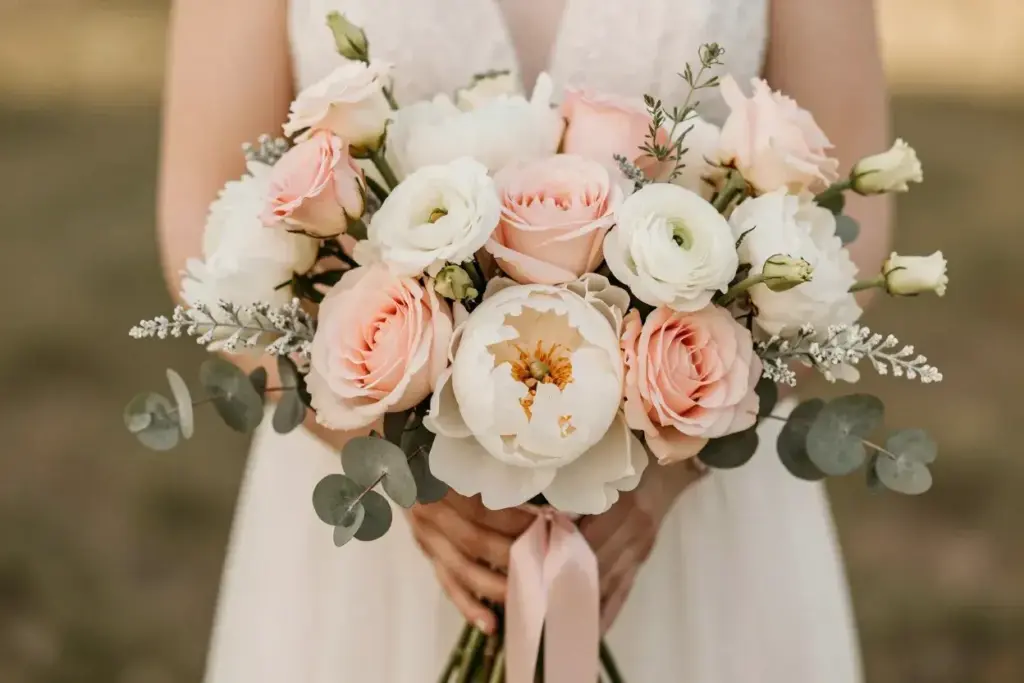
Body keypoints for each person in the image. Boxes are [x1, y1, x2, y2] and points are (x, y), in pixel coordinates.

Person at [158, 0, 891, 680]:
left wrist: (668, 462)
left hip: (693, 510)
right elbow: (203, 214)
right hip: (372, 524)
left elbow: (849, 210)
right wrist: (396, 460)